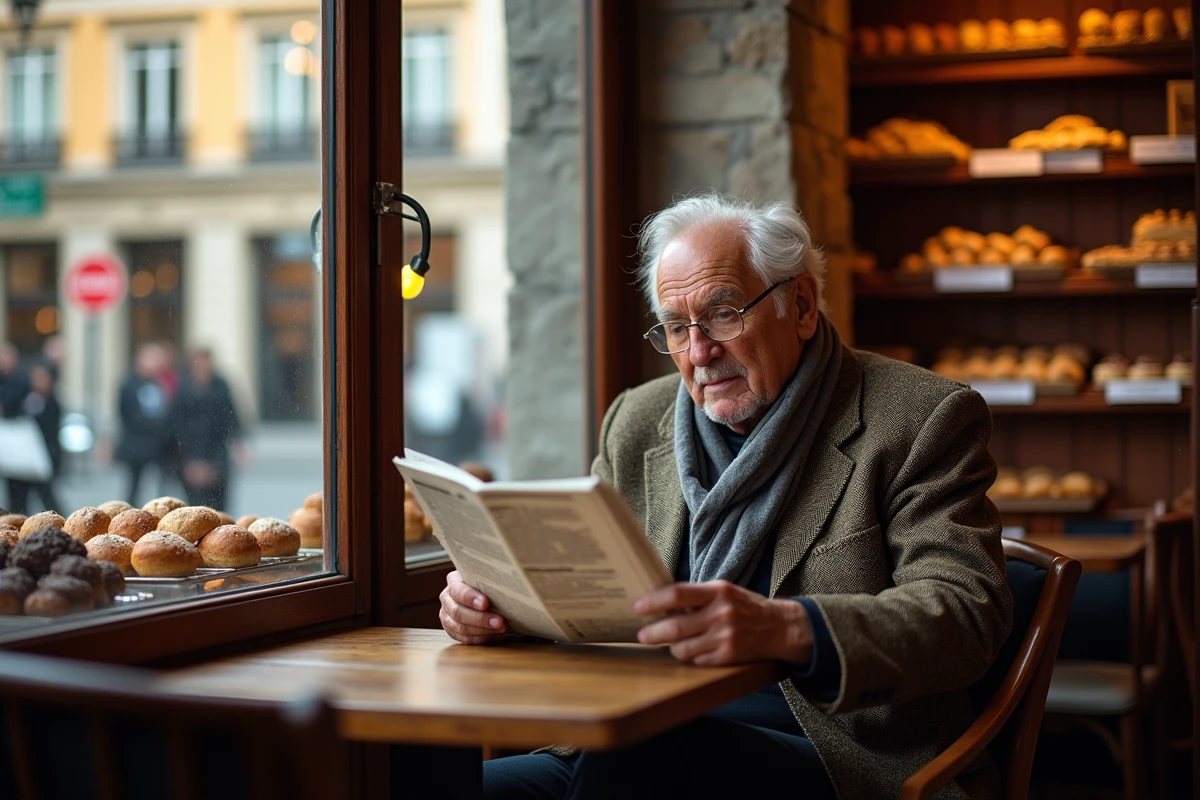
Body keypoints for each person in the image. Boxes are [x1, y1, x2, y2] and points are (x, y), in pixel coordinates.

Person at [440, 194, 1013, 799]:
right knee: (436, 785)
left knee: (645, 756)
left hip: (837, 759)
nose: (699, 352)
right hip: (630, 735)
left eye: (723, 314)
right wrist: (499, 608)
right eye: (677, 328)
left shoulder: (919, 418)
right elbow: (589, 598)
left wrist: (790, 628)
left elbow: (966, 615)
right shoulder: (635, 422)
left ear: (801, 307)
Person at [167, 348, 247, 512]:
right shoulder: (183, 387)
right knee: (196, 506)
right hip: (190, 451)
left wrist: (238, 444)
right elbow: (176, 425)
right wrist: (190, 462)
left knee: (220, 506)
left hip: (217, 450)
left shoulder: (220, 384)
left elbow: (231, 415)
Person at [116, 343, 172, 505]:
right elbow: (130, 416)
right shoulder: (129, 384)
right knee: (134, 488)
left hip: (158, 446)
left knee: (162, 490)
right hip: (137, 446)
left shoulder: (158, 383)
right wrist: (159, 424)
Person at [7, 361, 62, 514]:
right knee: (18, 503)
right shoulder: (25, 398)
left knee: (49, 501)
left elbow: (52, 432)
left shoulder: (52, 402)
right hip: (22, 460)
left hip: (42, 458)